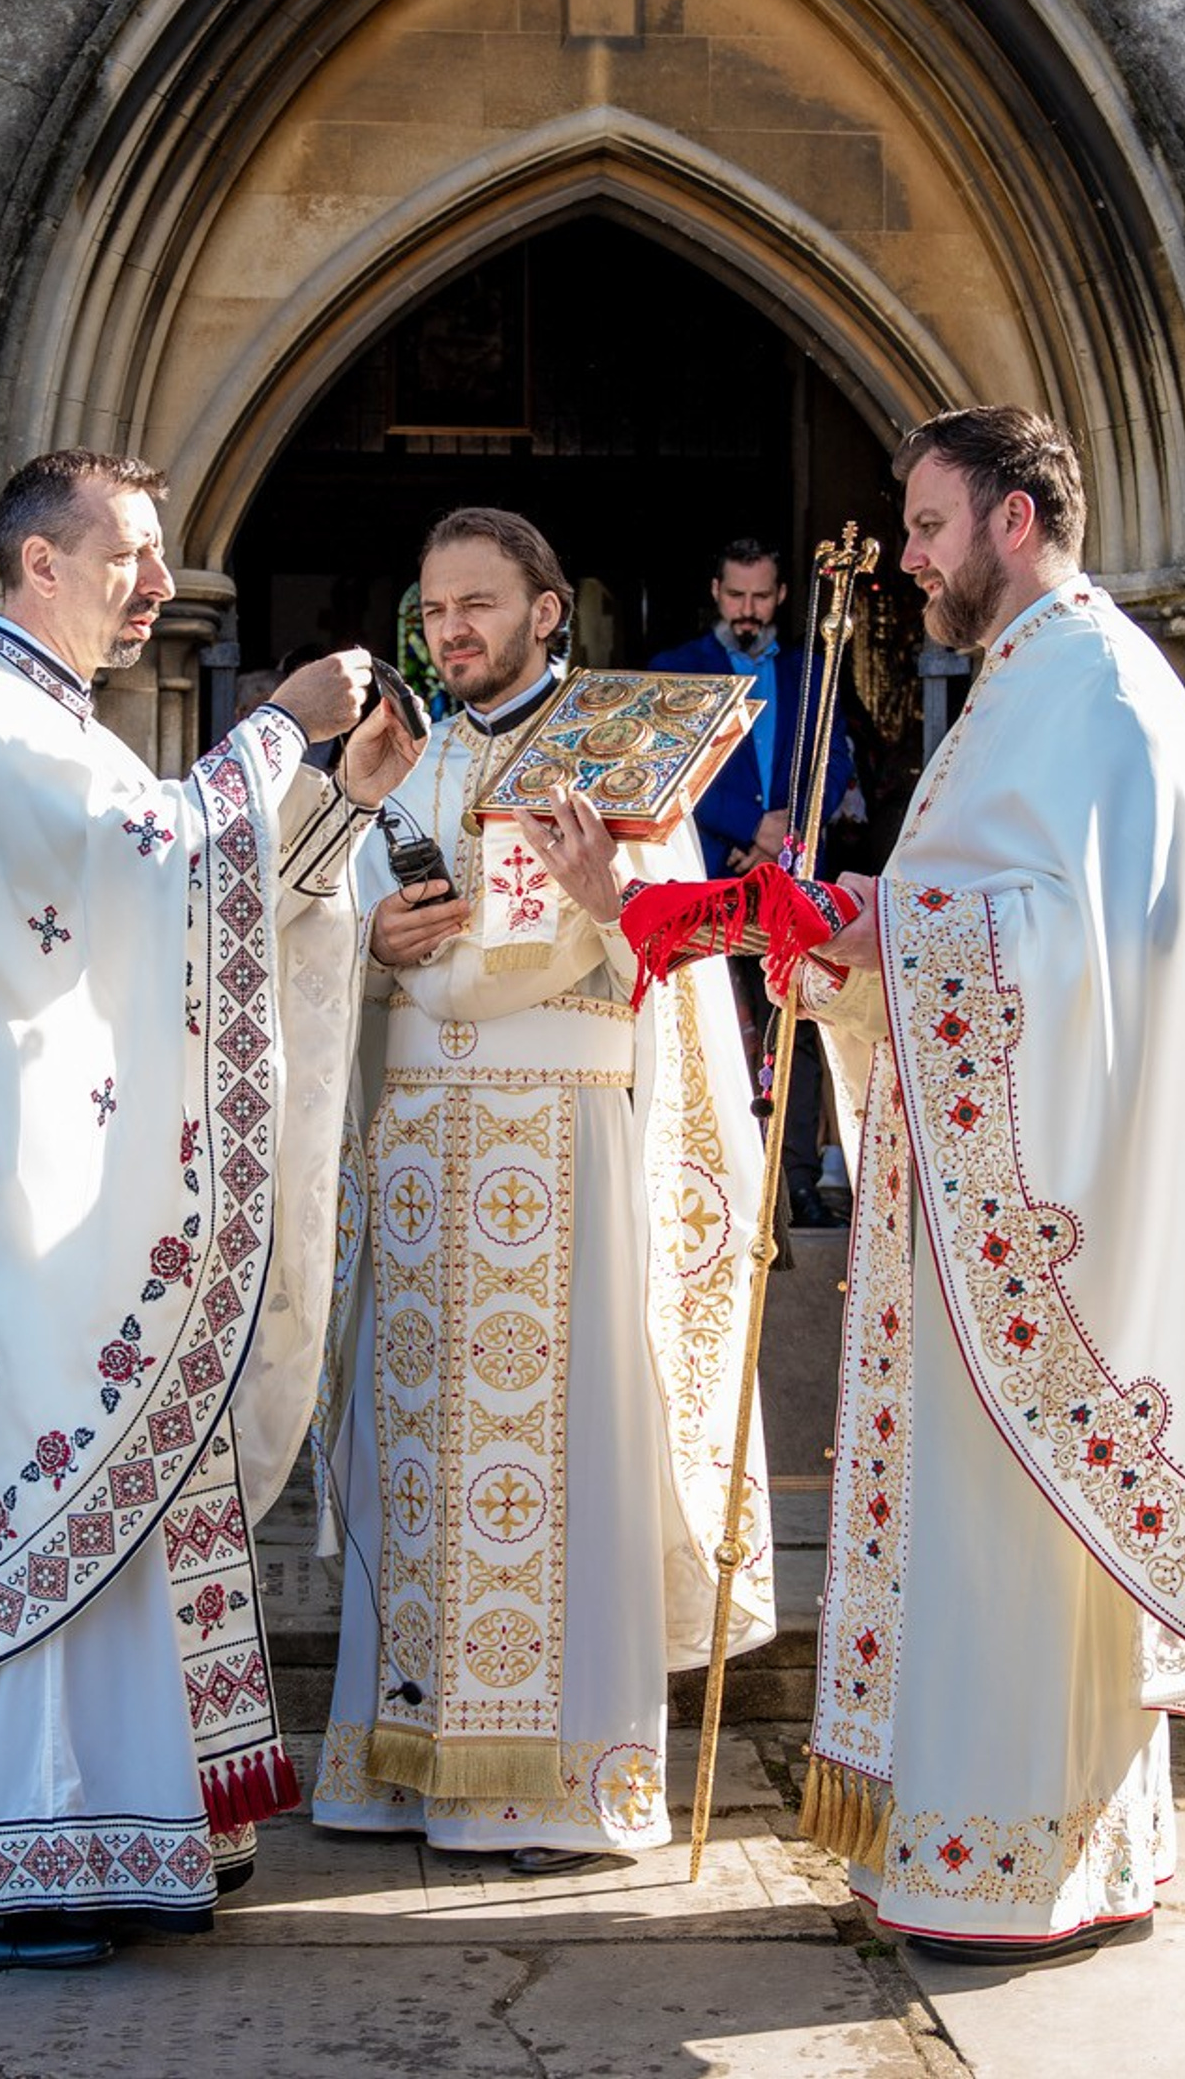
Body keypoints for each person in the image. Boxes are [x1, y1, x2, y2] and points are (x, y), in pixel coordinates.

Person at [0, 448, 420, 1969]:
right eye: (130, 555)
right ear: (41, 562)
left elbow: (180, 895)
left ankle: (127, 1836)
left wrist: (341, 804)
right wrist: (278, 722)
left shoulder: (55, 724)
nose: (156, 585)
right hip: (16, 1212)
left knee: (121, 1499)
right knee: (45, 1496)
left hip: (78, 1197)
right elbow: (147, 854)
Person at [784, 406, 1185, 1962]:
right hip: (968, 1196)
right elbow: (994, 910)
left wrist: (895, 933)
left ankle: (1011, 1867)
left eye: (930, 525)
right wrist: (866, 931)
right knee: (971, 1536)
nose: (910, 558)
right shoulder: (1024, 683)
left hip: (1046, 1216)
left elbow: (1103, 962)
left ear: (1015, 520)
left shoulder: (1099, 685)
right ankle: (991, 1849)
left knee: (1009, 1537)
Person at [310, 507, 775, 1870]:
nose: (451, 628)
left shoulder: (626, 751)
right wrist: (367, 935)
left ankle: (563, 1783)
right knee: (417, 1470)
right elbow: (341, 927)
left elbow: (678, 960)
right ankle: (405, 1765)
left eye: (477, 603)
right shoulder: (405, 760)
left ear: (545, 610)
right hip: (416, 1158)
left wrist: (615, 886)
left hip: (562, 1155)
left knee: (564, 1467)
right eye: (433, 608)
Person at [652, 538, 861, 1237]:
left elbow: (835, 759)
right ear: (716, 592)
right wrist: (747, 831)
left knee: (794, 1023)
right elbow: (672, 767)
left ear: (781, 597)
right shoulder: (677, 670)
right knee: (711, 1024)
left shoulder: (812, 671)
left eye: (761, 597)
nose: (748, 610)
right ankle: (713, 1179)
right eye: (737, 596)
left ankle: (794, 1182)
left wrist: (789, 833)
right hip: (712, 874)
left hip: (790, 876)